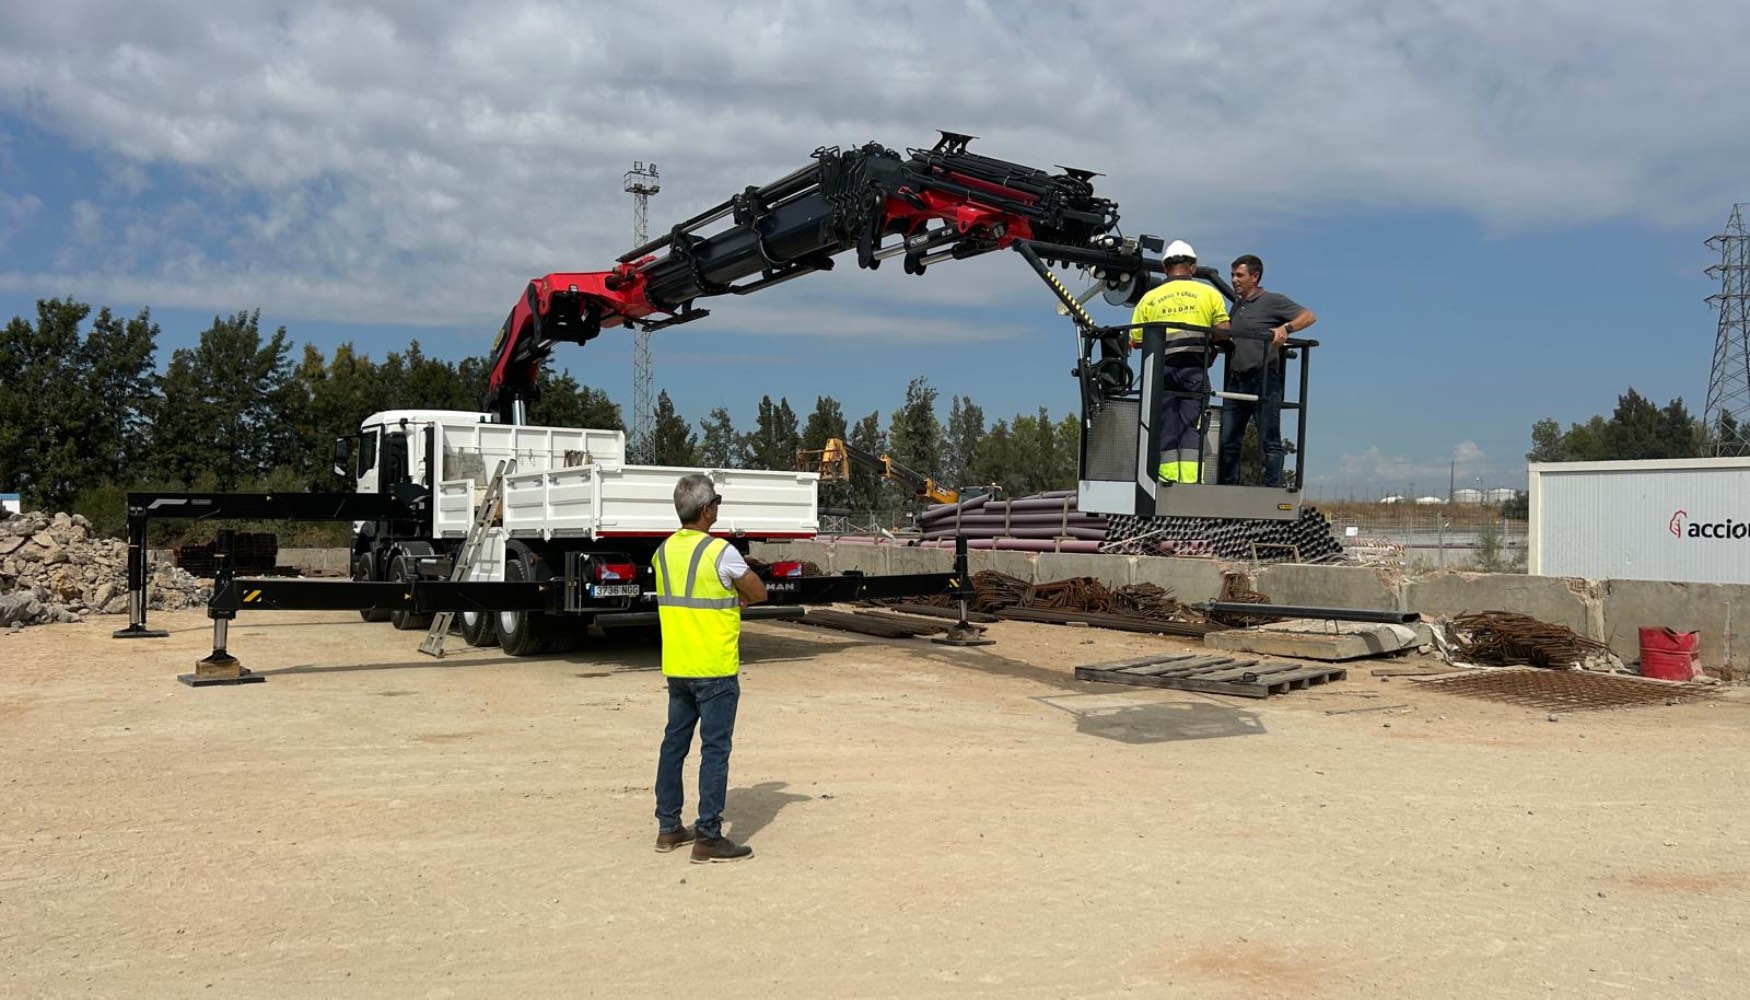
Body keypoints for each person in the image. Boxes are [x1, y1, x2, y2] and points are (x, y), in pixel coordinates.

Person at [652, 473, 767, 863]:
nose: (718, 507)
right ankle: (709, 835)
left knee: (674, 746)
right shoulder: (720, 552)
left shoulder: (663, 552)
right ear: (706, 511)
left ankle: (668, 828)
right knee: (715, 750)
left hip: (678, 665)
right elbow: (758, 591)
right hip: (715, 668)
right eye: (716, 502)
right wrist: (736, 593)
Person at [1129, 240, 1230, 483]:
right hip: (1193, 368)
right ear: (1192, 267)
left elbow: (1136, 339)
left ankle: (1165, 478)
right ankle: (1190, 480)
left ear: (1165, 268)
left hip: (1159, 370)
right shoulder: (1208, 293)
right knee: (1191, 424)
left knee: (1163, 422)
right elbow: (1224, 331)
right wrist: (1210, 343)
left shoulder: (1149, 298)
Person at [1218, 254, 1317, 487]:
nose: (1234, 280)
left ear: (1255, 276)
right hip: (1237, 380)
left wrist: (1285, 328)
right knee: (1228, 440)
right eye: (1232, 275)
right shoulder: (1237, 305)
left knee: (1269, 440)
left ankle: (1271, 489)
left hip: (1263, 379)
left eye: (1239, 275)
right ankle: (1227, 488)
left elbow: (1309, 316)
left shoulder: (1272, 301)